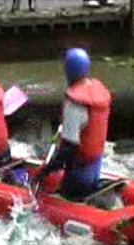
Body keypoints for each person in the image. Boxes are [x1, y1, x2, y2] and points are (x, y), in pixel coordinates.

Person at [35, 48, 112, 200]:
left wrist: (47, 169)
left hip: (79, 174)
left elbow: (68, 149)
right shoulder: (99, 90)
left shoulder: (74, 104)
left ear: (68, 71)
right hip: (95, 167)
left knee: (64, 192)